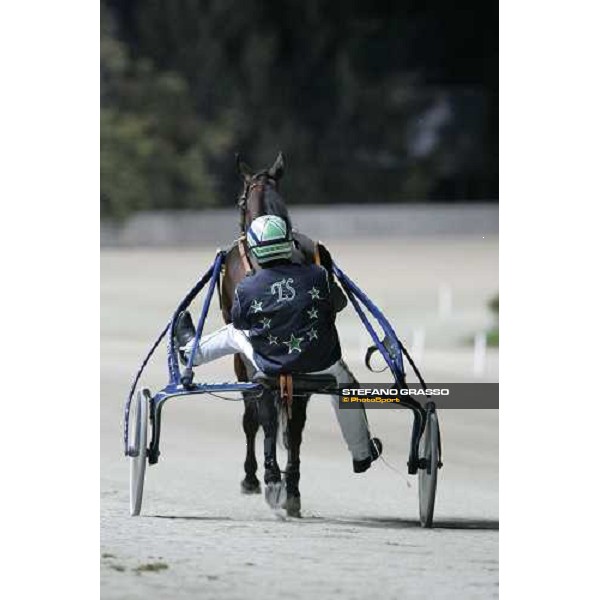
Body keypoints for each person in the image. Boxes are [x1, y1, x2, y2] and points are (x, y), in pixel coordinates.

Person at [175, 215, 382, 473]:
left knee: (234, 333)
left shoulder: (247, 288)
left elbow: (240, 321)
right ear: (289, 245)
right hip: (321, 365)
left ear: (254, 251)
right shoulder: (318, 274)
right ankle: (361, 453)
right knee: (346, 387)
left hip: (269, 364)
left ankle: (190, 353)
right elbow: (339, 304)